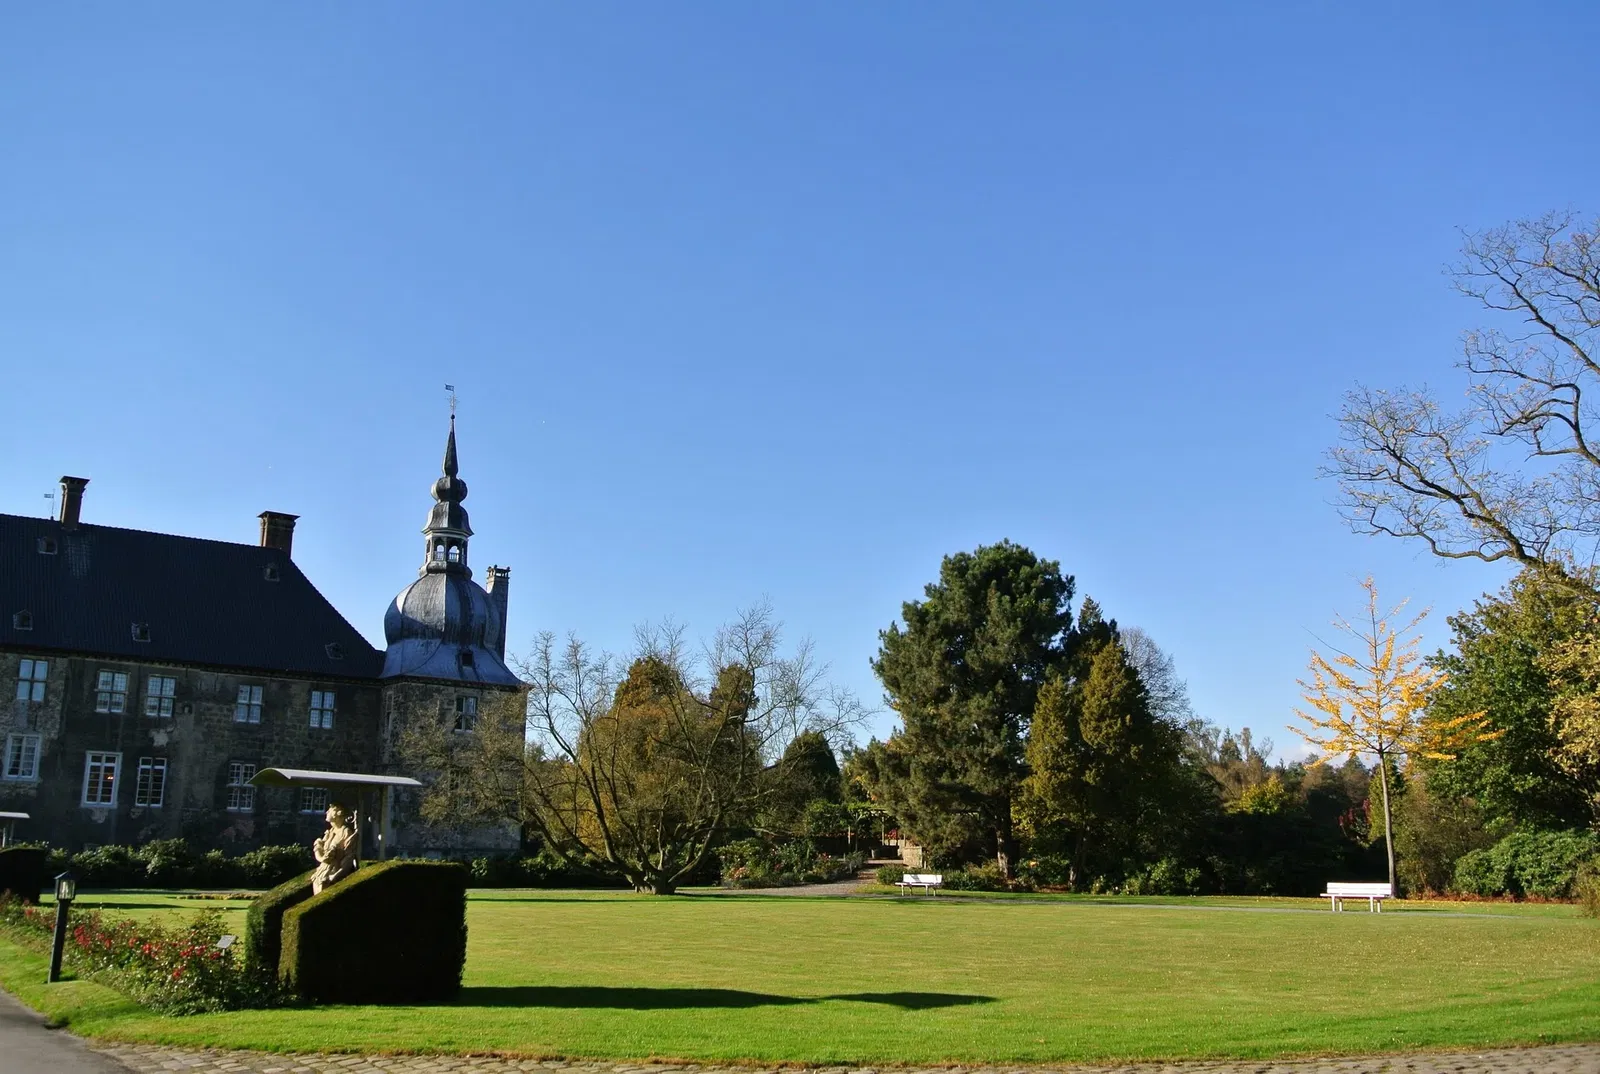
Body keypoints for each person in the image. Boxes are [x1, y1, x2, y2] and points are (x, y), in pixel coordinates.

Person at [311, 803, 359, 893]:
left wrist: (335, 876)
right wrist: (321, 858)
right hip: (321, 873)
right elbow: (318, 849)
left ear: (338, 813)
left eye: (330, 809)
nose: (327, 811)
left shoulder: (346, 832)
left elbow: (348, 859)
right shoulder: (330, 831)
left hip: (331, 875)